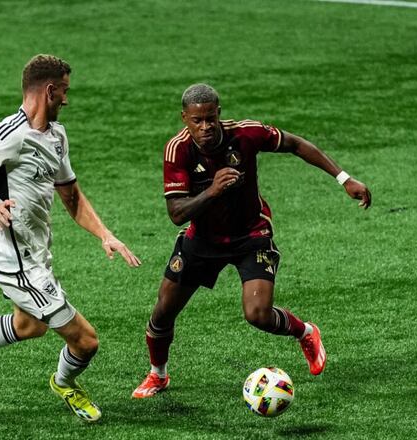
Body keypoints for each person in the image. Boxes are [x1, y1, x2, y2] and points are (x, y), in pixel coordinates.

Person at [0, 54, 141, 423]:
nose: (67, 99)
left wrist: (105, 234)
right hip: (14, 262)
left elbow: (72, 196)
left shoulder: (57, 136)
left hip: (36, 254)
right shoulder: (6, 135)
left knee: (28, 325)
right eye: (64, 91)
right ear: (49, 90)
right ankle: (65, 383)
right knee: (85, 341)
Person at [132, 83, 371, 398]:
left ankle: (306, 333)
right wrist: (212, 190)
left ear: (219, 114)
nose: (204, 127)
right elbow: (176, 213)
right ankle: (158, 375)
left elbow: (296, 144)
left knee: (258, 314)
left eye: (210, 119)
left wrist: (344, 178)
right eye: (196, 121)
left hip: (251, 235)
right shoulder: (177, 150)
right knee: (163, 312)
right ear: (184, 119)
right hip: (202, 239)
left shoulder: (246, 134)